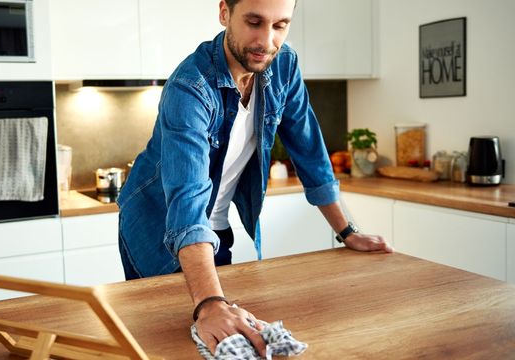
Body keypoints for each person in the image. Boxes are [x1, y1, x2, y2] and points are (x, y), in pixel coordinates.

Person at [117, 0, 393, 356]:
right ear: (224, 13)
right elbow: (186, 200)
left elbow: (309, 151)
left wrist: (347, 232)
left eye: (280, 25)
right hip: (154, 225)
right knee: (164, 344)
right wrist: (210, 303)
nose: (267, 40)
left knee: (224, 337)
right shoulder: (190, 87)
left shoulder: (284, 65)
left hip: (213, 231)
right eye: (254, 22)